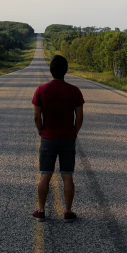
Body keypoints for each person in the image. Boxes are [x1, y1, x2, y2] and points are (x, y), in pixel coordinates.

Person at [31, 55, 85, 222]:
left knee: (45, 175)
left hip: (48, 138)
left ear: (50, 70)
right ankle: (68, 211)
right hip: (67, 138)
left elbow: (36, 117)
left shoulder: (41, 90)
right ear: (66, 71)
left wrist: (41, 131)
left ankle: (41, 210)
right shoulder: (75, 91)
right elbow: (80, 116)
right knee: (67, 175)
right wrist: (74, 131)